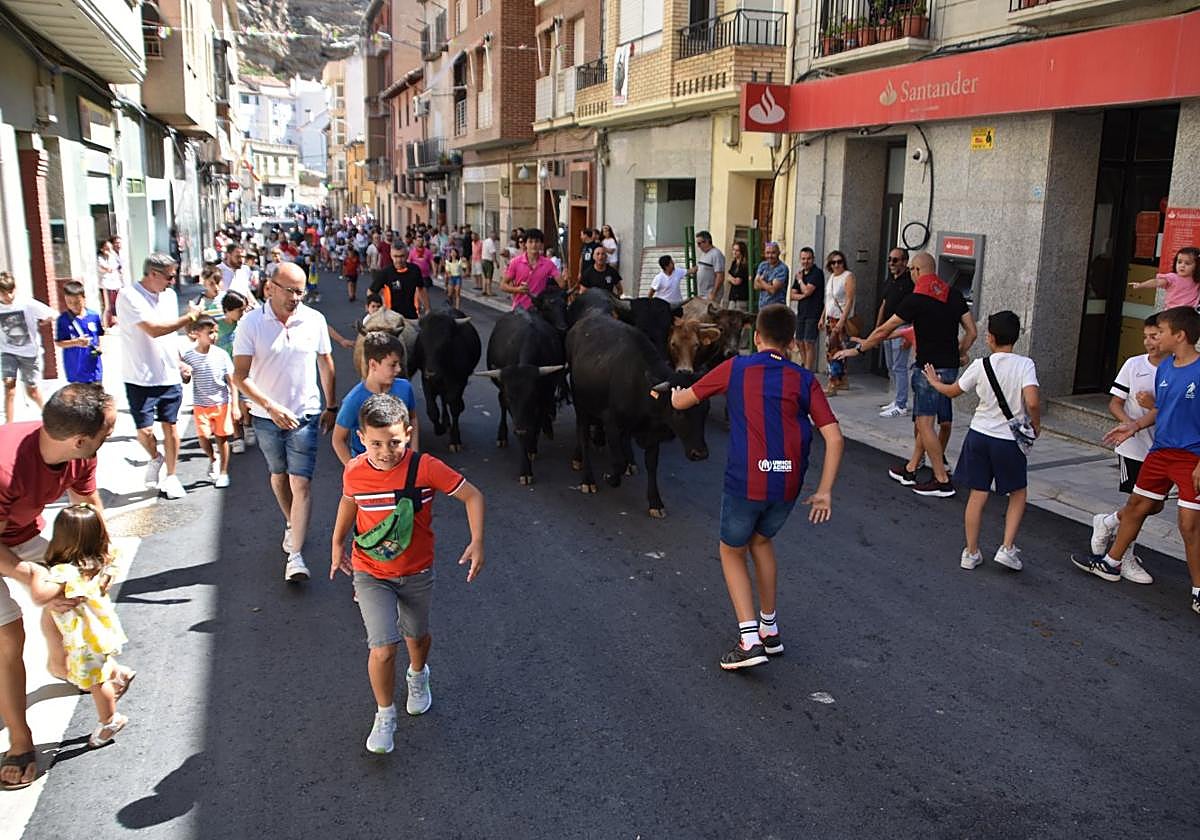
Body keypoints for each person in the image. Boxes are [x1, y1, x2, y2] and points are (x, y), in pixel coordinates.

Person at [671, 304, 843, 670]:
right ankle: (770, 629)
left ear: (756, 337)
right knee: (761, 541)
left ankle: (749, 640)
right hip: (788, 482)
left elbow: (685, 400)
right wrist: (825, 490)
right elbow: (834, 436)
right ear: (793, 343)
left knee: (731, 550)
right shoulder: (804, 379)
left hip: (747, 479)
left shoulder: (736, 368)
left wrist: (671, 396)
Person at [329, 393, 485, 754]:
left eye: (395, 442)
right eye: (376, 443)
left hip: (416, 571)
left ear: (409, 434)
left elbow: (473, 496)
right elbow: (349, 502)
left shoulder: (425, 467)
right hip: (370, 571)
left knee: (417, 638)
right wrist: (337, 543)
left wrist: (477, 542)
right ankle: (385, 714)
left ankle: (418, 675)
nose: (386, 451)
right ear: (361, 438)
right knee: (383, 647)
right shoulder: (354, 470)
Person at [0, 383, 116, 789]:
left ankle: (59, 662)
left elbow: (86, 503)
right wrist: (24, 572)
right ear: (80, 439)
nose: (109, 439)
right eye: (107, 433)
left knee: (75, 590)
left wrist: (101, 556)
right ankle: (19, 739)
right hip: (4, 543)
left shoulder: (79, 453)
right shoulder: (5, 465)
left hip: (17, 531)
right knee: (8, 637)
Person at [1072, 306, 1200, 617]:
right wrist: (1134, 425)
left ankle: (1199, 590)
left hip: (1192, 456)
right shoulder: (1167, 368)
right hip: (1160, 451)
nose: (1157, 338)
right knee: (1137, 506)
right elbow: (1163, 410)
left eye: (1163, 332)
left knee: (1189, 525)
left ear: (1179, 336)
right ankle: (1111, 562)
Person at [835, 251, 977, 498]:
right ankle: (911, 469)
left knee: (924, 423)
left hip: (928, 370)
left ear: (916, 271)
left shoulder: (916, 298)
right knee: (935, 422)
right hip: (950, 369)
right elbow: (972, 332)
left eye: (911, 270)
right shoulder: (953, 294)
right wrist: (959, 353)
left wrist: (858, 349)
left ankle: (942, 480)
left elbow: (885, 330)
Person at [232, 262, 337, 582]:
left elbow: (326, 364)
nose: (296, 297)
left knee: (301, 482)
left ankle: (296, 556)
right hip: (266, 418)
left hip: (304, 415)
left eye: (300, 291)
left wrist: (332, 405)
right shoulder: (251, 324)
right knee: (279, 476)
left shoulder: (314, 319)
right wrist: (269, 406)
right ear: (270, 288)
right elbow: (239, 376)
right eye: (290, 290)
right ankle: (292, 522)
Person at [920, 311, 1040, 571]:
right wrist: (1035, 425)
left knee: (978, 494)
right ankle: (1007, 548)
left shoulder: (980, 365)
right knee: (1017, 492)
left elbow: (952, 391)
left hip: (978, 435)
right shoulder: (1025, 365)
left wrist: (934, 382)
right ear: (1016, 337)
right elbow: (1032, 401)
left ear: (991, 338)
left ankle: (971, 552)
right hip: (1008, 440)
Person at [40, 503, 134, 748]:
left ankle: (110, 720)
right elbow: (113, 558)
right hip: (100, 630)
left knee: (96, 681)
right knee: (99, 669)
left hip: (84, 637)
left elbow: (43, 591)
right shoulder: (102, 560)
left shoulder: (65, 571)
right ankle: (120, 674)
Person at [1084, 315, 1163, 585]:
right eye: (1146, 336)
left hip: (1161, 446)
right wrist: (1129, 424)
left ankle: (1106, 522)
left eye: (1155, 336)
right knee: (1137, 506)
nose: (1149, 342)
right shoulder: (1134, 364)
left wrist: (1153, 404)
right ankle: (1124, 555)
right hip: (1133, 446)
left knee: (1155, 506)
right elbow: (1115, 402)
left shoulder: (1175, 368)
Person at [118, 253, 200, 499]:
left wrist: (179, 361)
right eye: (169, 276)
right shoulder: (128, 296)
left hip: (169, 374)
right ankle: (155, 457)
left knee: (171, 427)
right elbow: (154, 330)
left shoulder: (170, 296)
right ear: (152, 274)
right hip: (140, 375)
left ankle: (172, 476)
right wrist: (190, 316)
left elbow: (169, 336)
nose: (172, 281)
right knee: (145, 432)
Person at [333, 332, 419, 465]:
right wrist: (353, 470)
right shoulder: (354, 400)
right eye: (393, 364)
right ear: (373, 364)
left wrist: (414, 453)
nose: (398, 369)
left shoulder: (405, 388)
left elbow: (412, 418)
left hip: (401, 464)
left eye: (399, 364)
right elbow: (338, 439)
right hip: (369, 470)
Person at [183, 315, 238, 488]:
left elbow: (232, 381)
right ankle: (213, 458)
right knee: (203, 438)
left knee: (222, 439)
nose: (214, 336)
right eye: (210, 332)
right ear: (197, 334)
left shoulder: (221, 355)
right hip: (200, 404)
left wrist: (235, 405)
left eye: (215, 332)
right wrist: (185, 374)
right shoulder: (189, 356)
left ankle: (223, 472)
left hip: (221, 403)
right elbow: (185, 379)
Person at [0, 273, 55, 423]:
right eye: (3, 293)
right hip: (7, 352)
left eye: (10, 292)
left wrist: (44, 321)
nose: (8, 296)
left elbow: (52, 314)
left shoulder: (26, 303)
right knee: (9, 387)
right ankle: (8, 425)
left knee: (32, 392)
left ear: (15, 289)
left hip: (29, 353)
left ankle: (49, 417)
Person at [876, 248, 913, 417]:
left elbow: (915, 310)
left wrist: (909, 336)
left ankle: (901, 404)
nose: (891, 263)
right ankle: (896, 398)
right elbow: (884, 304)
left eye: (895, 260)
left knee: (900, 367)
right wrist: (878, 328)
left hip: (902, 327)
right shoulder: (890, 280)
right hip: (887, 328)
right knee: (891, 366)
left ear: (905, 262)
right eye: (890, 259)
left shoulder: (910, 283)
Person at [218, 290, 253, 454]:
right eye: (239, 310)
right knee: (230, 405)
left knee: (246, 404)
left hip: (243, 371)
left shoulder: (245, 325)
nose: (242, 313)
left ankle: (247, 425)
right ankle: (237, 437)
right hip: (223, 373)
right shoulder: (216, 326)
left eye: (244, 309)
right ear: (227, 310)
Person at [819, 249, 857, 396]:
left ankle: (832, 384)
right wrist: (822, 317)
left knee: (833, 352)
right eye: (833, 262)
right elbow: (828, 301)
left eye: (839, 262)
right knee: (836, 350)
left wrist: (842, 321)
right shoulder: (832, 278)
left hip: (839, 319)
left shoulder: (848, 276)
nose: (836, 265)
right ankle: (843, 380)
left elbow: (849, 301)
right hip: (830, 318)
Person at [54, 281, 104, 385]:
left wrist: (99, 347)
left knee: (97, 398)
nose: (73, 306)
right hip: (75, 370)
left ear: (83, 298)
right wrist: (76, 342)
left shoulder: (93, 316)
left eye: (77, 302)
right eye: (69, 302)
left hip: (94, 368)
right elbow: (59, 343)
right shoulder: (63, 320)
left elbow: (99, 334)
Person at [499, 228, 560, 311]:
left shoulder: (549, 264)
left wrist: (565, 277)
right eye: (530, 241)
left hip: (539, 309)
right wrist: (517, 289)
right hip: (520, 310)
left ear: (541, 244)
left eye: (537, 241)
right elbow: (503, 285)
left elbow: (562, 284)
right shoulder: (515, 262)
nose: (534, 245)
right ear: (525, 244)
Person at [1129, 247, 1200, 309]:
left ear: (1197, 266)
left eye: (1187, 263)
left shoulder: (1196, 280)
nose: (1182, 266)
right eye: (1179, 262)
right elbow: (1157, 282)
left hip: (1190, 314)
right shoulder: (1172, 277)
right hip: (1172, 312)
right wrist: (1141, 285)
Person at [789, 247, 824, 371]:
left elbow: (807, 290)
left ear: (813, 259)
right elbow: (792, 295)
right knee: (799, 341)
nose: (806, 261)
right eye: (803, 259)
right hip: (801, 312)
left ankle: (809, 370)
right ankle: (804, 366)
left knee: (809, 342)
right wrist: (804, 295)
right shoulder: (800, 273)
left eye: (808, 258)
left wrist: (800, 282)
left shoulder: (817, 273)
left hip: (813, 313)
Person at [371, 245, 425, 319]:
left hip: (411, 317)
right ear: (391, 255)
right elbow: (371, 292)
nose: (399, 260)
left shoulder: (415, 270)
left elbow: (421, 289)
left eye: (402, 256)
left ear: (407, 255)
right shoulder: (386, 272)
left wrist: (428, 309)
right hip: (391, 318)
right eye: (395, 256)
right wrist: (375, 311)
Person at [692, 231, 726, 302]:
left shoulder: (716, 254)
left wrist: (713, 293)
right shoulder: (704, 253)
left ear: (707, 241)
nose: (698, 246)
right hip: (702, 294)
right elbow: (700, 267)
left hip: (711, 294)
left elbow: (720, 276)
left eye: (699, 243)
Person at [97, 239, 123, 329]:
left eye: (110, 248)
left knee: (116, 305)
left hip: (115, 285)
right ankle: (105, 325)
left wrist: (112, 255)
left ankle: (115, 323)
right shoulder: (99, 258)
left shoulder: (113, 257)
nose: (109, 250)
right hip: (105, 285)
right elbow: (109, 269)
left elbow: (118, 266)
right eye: (107, 248)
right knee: (107, 306)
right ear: (102, 249)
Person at [726, 240, 750, 312]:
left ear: (742, 252)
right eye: (733, 250)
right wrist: (732, 278)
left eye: (737, 250)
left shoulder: (744, 265)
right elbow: (728, 277)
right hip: (733, 296)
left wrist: (731, 278)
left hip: (741, 297)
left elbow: (737, 281)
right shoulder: (734, 263)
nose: (734, 252)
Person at [481, 232, 498, 297]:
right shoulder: (491, 243)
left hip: (483, 260)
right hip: (488, 261)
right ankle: (489, 291)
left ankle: (484, 290)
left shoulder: (485, 241)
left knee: (485, 276)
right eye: (495, 237)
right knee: (489, 277)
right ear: (493, 236)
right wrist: (496, 262)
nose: (495, 238)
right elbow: (493, 253)